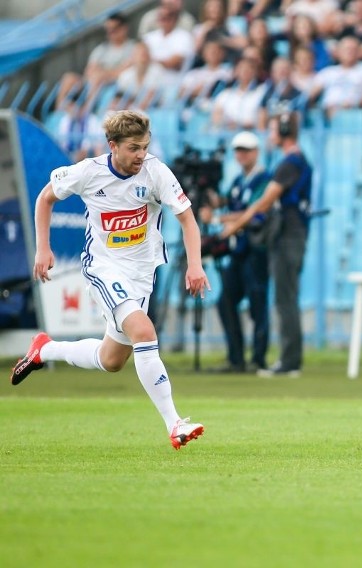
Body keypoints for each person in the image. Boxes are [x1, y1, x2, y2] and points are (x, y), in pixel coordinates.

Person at [10, 110, 210, 450]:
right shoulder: (89, 172)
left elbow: (188, 221)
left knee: (112, 360)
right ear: (112, 145)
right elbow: (45, 198)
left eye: (144, 146)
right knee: (145, 332)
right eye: (133, 148)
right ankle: (174, 423)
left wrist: (195, 265)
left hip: (142, 273)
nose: (141, 155)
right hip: (104, 268)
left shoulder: (156, 172)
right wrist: (42, 249)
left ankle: (45, 349)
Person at [221, 109, 312, 377]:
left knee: (285, 299)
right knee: (286, 298)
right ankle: (289, 360)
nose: (270, 135)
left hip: (287, 236)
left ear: (283, 132)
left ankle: (290, 362)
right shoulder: (294, 161)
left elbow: (264, 202)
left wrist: (235, 226)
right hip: (291, 235)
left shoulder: (290, 163)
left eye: (273, 130)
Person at [206, 131, 272, 373]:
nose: (241, 155)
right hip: (238, 251)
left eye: (246, 150)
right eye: (238, 151)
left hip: (256, 248)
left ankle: (258, 358)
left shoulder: (264, 179)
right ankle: (236, 358)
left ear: (256, 152)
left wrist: (218, 217)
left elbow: (255, 210)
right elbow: (230, 202)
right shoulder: (238, 181)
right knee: (226, 302)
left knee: (257, 303)